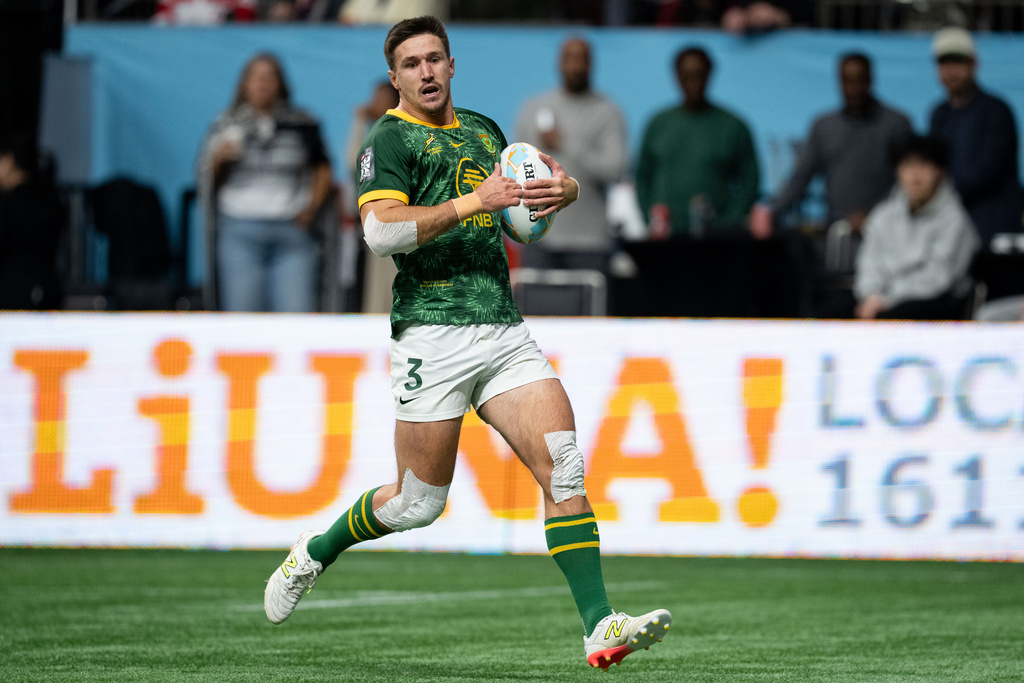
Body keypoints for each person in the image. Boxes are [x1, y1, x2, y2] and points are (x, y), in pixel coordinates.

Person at [262, 16, 671, 669]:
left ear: (452, 64)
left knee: (563, 463)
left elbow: (524, 211)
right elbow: (379, 232)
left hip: (503, 330)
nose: (425, 72)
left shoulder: (485, 131)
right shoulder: (389, 140)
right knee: (416, 502)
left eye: (434, 59)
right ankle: (315, 549)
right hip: (432, 333)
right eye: (411, 63)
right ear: (395, 77)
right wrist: (474, 201)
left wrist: (559, 192)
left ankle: (598, 623)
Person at [198, 53, 333, 312]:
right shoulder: (224, 123)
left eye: (270, 77)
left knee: (296, 315)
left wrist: (311, 208)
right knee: (242, 318)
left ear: (281, 84)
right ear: (244, 84)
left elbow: (323, 167)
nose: (263, 83)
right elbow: (205, 180)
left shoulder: (302, 123)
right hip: (241, 230)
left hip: (292, 232)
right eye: (256, 76)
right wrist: (217, 160)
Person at [751, 53, 913, 238]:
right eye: (847, 81)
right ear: (839, 82)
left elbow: (907, 181)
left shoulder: (897, 124)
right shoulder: (824, 126)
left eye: (860, 80)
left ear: (870, 80)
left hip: (889, 230)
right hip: (837, 230)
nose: (853, 89)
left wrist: (876, 216)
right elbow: (801, 177)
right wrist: (773, 211)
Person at [514, 36, 628, 276]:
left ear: (591, 64)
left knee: (587, 311)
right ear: (559, 63)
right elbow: (513, 168)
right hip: (538, 237)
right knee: (536, 312)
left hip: (589, 242)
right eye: (569, 58)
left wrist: (566, 143)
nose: (575, 66)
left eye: (582, 59)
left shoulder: (607, 112)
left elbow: (615, 168)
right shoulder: (533, 108)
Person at [850, 135, 979, 320]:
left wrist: (888, 299)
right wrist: (871, 295)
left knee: (896, 317)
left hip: (936, 302)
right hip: (880, 299)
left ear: (939, 171)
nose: (915, 176)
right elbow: (869, 263)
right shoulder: (883, 215)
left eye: (924, 165)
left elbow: (938, 277)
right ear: (897, 171)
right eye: (908, 166)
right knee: (831, 314)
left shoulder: (954, 219)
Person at [636, 45, 759, 237]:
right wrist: (649, 216)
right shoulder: (658, 124)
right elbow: (642, 176)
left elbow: (751, 179)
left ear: (710, 75)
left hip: (716, 239)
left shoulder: (732, 126)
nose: (693, 82)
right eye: (686, 75)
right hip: (665, 237)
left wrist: (730, 221)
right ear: (676, 76)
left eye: (699, 74)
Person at [928, 27, 1022, 247]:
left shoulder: (996, 110)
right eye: (944, 63)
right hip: (949, 228)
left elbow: (990, 171)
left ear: (974, 64)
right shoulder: (939, 114)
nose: (951, 71)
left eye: (958, 62)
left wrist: (940, 196)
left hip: (993, 225)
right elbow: (934, 165)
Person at [0, 133, 64, 310]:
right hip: (49, 292)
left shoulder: (7, 204)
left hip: (10, 297)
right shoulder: (51, 201)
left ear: (9, 160)